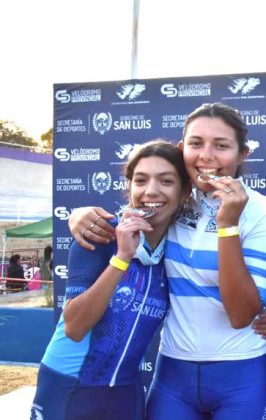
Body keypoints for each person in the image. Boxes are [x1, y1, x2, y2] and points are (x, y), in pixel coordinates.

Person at [69, 103, 266, 419]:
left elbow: (241, 315)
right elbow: (130, 214)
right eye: (196, 144)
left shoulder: (262, 211)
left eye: (221, 146)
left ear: (242, 155)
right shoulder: (174, 202)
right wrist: (79, 216)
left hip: (242, 371)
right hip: (173, 373)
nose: (206, 156)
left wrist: (228, 226)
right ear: (182, 149)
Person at [31, 140, 191, 420]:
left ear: (184, 191)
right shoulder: (100, 236)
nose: (151, 191)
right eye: (140, 180)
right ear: (129, 187)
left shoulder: (179, 250)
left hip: (126, 391)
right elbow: (74, 327)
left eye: (166, 181)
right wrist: (122, 258)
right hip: (69, 385)